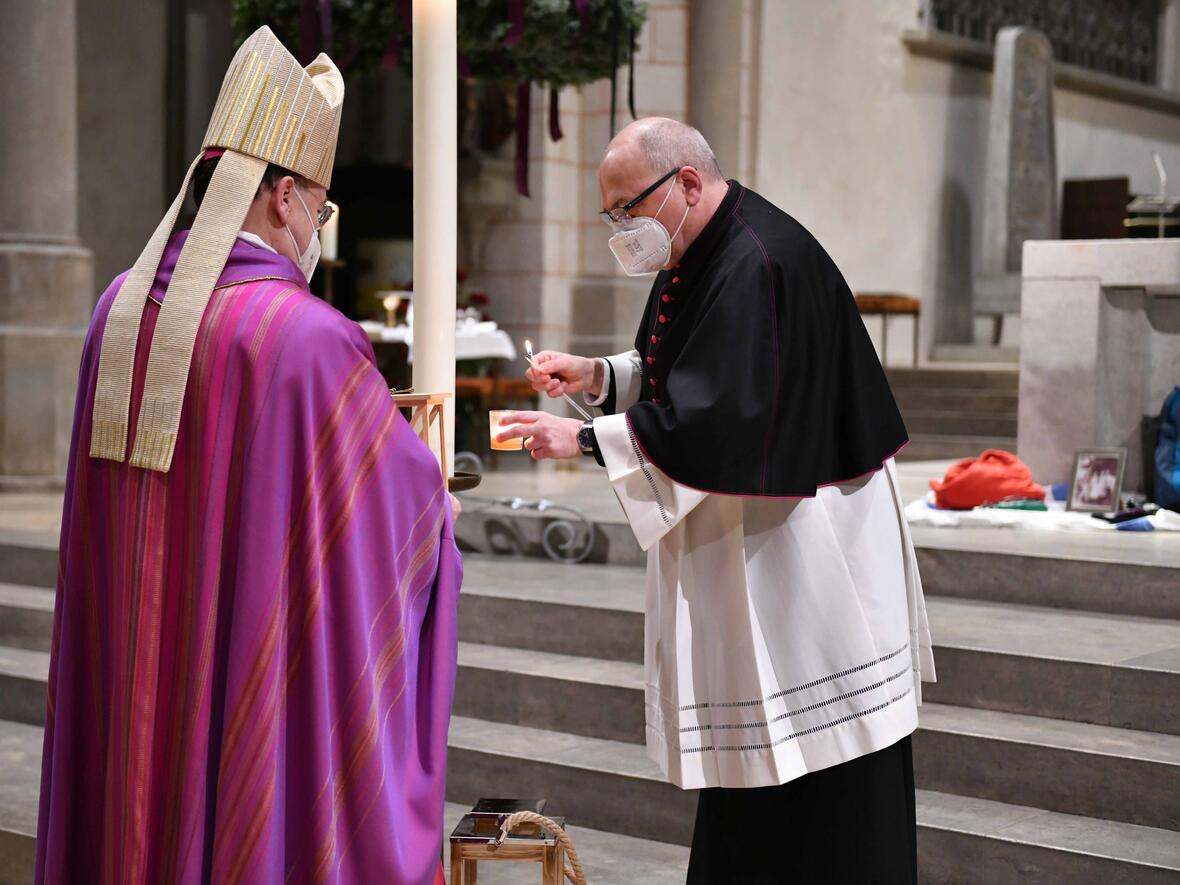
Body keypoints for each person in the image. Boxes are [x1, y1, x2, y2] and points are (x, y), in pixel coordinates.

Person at [35, 27, 461, 885]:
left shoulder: (117, 308)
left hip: (127, 689)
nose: (317, 227)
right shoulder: (305, 338)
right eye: (319, 207)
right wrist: (434, 494)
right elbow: (389, 514)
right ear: (283, 195)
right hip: (231, 682)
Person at [499, 118, 935, 882]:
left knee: (822, 769)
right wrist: (600, 376)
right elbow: (692, 365)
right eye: (613, 217)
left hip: (809, 556)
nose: (621, 230)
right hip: (767, 537)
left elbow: (721, 416)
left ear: (687, 185)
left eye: (625, 210)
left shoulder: (758, 260)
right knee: (763, 775)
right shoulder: (705, 248)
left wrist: (584, 440)